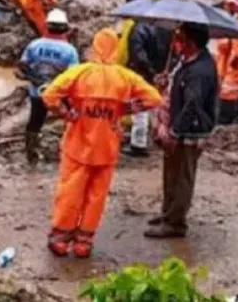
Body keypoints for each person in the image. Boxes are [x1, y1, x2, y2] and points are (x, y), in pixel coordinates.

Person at [43, 28, 163, 258]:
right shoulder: (125, 76)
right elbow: (154, 98)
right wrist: (125, 108)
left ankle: (61, 237)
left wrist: (66, 113)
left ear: (95, 47)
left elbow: (49, 95)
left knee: (70, 191)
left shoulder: (80, 72)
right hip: (107, 146)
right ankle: (83, 242)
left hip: (78, 143)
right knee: (96, 196)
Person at [146, 23, 218, 239]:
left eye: (180, 37)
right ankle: (168, 212)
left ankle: (176, 223)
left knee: (182, 176)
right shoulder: (188, 62)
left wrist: (176, 132)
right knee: (171, 172)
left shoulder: (200, 70)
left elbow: (193, 105)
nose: (175, 42)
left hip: (188, 131)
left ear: (190, 42)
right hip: (178, 126)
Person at [18, 9, 80, 166]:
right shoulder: (70, 51)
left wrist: (36, 80)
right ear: (65, 27)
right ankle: (69, 151)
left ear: (47, 26)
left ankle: (31, 155)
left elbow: (23, 65)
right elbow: (73, 75)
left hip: (37, 92)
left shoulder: (35, 45)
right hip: (61, 94)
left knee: (35, 122)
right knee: (70, 120)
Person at [118, 0, 171, 156]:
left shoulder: (138, 28)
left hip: (143, 74)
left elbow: (137, 55)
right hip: (161, 71)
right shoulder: (164, 25)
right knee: (157, 106)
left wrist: (147, 72)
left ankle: (138, 145)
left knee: (140, 110)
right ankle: (158, 137)